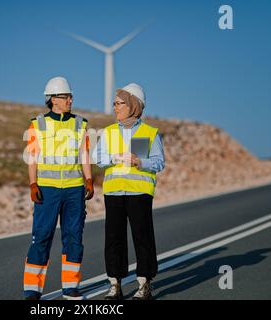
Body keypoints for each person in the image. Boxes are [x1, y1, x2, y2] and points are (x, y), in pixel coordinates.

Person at [23, 76, 94, 300]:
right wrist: (33, 183)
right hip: (47, 190)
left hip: (74, 190)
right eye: (66, 96)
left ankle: (71, 287)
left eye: (71, 96)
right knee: (41, 236)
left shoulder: (80, 124)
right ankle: (32, 290)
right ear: (53, 99)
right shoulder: (38, 124)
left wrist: (89, 180)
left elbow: (84, 155)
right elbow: (32, 157)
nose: (71, 100)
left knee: (73, 237)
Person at [96, 83, 165, 300]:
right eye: (114, 103)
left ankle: (144, 284)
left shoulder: (148, 132)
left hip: (139, 192)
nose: (115, 107)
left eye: (119, 103)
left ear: (133, 105)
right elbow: (97, 159)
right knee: (114, 239)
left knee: (142, 237)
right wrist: (112, 158)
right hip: (114, 193)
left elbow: (159, 162)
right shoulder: (108, 132)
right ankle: (115, 285)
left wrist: (139, 161)